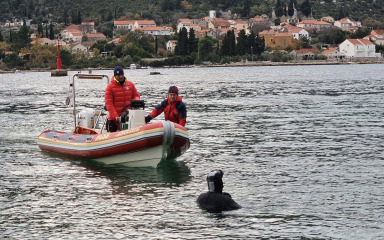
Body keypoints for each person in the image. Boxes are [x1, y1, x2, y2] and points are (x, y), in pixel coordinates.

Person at [105, 66, 140, 132]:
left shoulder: (130, 85)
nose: (121, 76)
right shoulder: (109, 87)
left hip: (128, 117)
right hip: (115, 119)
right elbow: (109, 104)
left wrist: (136, 101)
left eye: (122, 74)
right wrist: (116, 116)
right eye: (118, 75)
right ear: (115, 76)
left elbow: (136, 95)